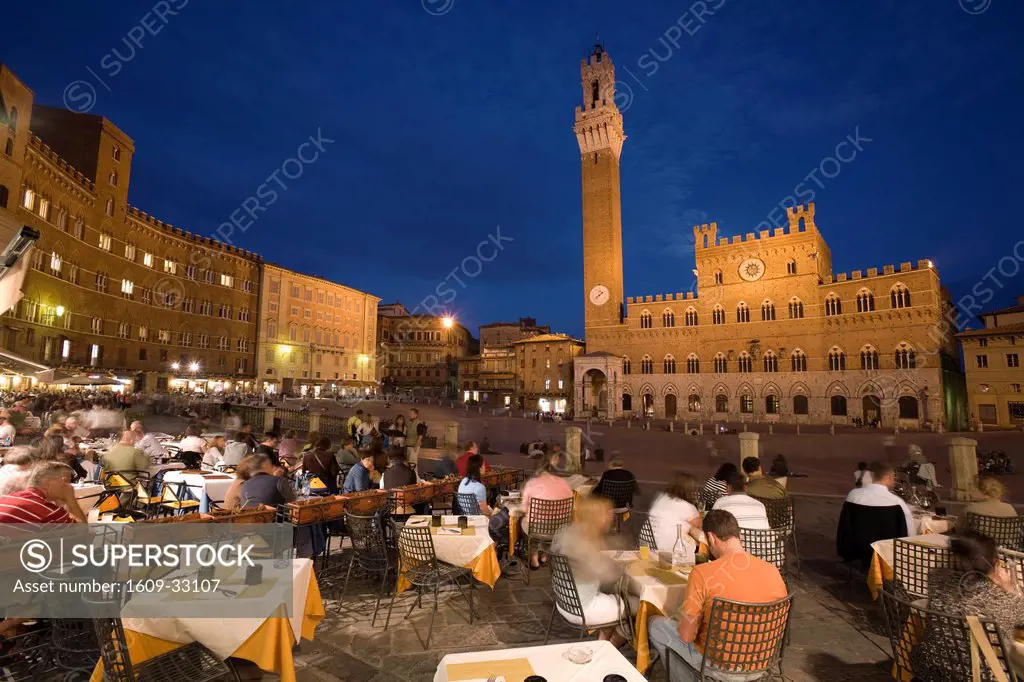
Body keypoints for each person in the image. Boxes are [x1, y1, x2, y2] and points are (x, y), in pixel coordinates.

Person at [648, 510, 788, 676]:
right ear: (739, 536)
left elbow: (686, 636)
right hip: (761, 663)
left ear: (712, 538)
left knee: (656, 626)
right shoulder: (772, 571)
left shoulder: (702, 574)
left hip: (719, 666)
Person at [911, 531, 1024, 679]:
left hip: (928, 668)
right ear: (995, 563)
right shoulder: (1000, 598)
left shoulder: (935, 578)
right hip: (973, 676)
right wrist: (1007, 588)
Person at [551, 495, 631, 644]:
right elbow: (609, 575)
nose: (611, 517)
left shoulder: (568, 532)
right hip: (582, 607)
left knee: (614, 599)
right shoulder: (585, 545)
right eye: (607, 513)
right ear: (596, 517)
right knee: (637, 606)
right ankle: (608, 647)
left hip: (563, 601)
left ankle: (604, 640)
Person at [521, 457, 573, 569]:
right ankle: (545, 555)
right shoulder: (564, 483)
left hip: (537, 529)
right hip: (560, 528)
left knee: (523, 523)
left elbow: (524, 509)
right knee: (550, 530)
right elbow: (571, 507)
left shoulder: (532, 484)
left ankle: (534, 558)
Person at [0, 461, 87, 525]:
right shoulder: (46, 510)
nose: (69, 486)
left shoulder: (8, 498)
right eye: (65, 481)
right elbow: (83, 534)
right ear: (46, 483)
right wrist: (70, 499)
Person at [845, 461, 915, 537]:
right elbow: (910, 534)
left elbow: (844, 528)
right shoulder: (897, 503)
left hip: (855, 547)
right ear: (890, 477)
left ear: (872, 476)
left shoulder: (853, 496)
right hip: (886, 548)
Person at [648, 472, 703, 551]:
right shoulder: (687, 507)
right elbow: (699, 526)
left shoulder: (662, 497)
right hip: (670, 547)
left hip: (649, 541)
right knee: (698, 536)